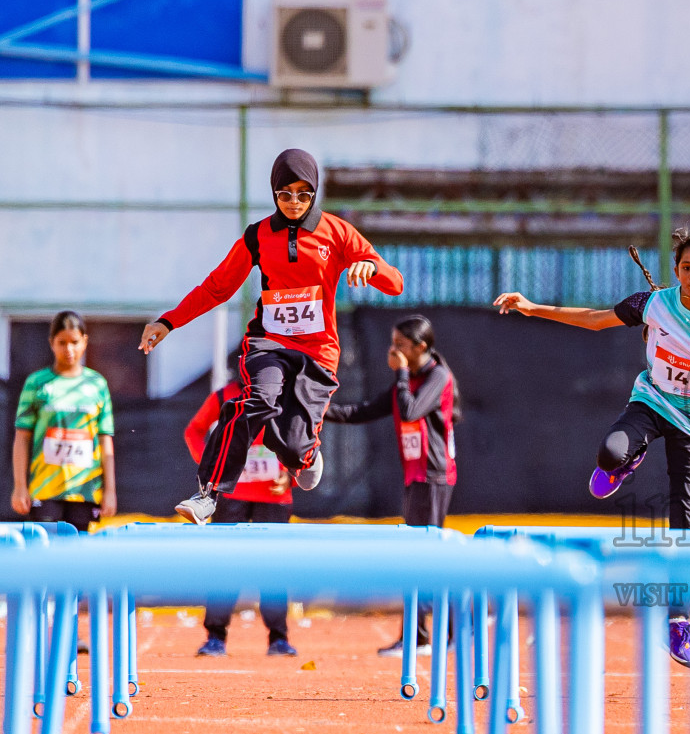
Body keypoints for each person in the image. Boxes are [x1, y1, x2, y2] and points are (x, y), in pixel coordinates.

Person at [494, 228, 690, 669]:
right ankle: (627, 461)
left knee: (684, 526)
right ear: (676, 271)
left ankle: (677, 622)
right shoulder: (654, 304)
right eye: (686, 268)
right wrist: (532, 307)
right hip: (654, 403)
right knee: (609, 453)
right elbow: (593, 319)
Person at [138, 148, 404, 524]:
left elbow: (396, 283)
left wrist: (370, 266)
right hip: (270, 343)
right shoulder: (258, 236)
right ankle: (208, 495)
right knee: (255, 400)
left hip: (317, 351)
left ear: (315, 192)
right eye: (285, 194)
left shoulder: (337, 232)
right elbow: (217, 287)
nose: (294, 202)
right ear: (274, 193)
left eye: (303, 194)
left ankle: (306, 455)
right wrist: (169, 321)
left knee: (292, 447)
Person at [324, 315, 461, 655]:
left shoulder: (435, 376)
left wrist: (399, 373)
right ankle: (423, 634)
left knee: (422, 557)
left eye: (401, 345)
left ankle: (426, 634)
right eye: (392, 343)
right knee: (419, 557)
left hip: (433, 475)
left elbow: (411, 410)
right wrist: (320, 410)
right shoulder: (410, 379)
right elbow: (365, 410)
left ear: (421, 348)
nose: (393, 350)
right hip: (416, 476)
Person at [184, 354, 297, 657]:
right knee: (225, 566)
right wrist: (214, 471)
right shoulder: (224, 396)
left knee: (273, 569)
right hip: (232, 495)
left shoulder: (285, 396)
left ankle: (278, 639)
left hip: (273, 496)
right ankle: (215, 637)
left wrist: (292, 475)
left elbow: (303, 438)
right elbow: (193, 430)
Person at [11, 311, 116, 533]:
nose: (69, 349)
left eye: (74, 342)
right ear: (51, 343)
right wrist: (20, 487)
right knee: (43, 554)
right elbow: (22, 438)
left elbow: (106, 440)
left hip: (85, 490)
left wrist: (110, 491)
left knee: (78, 559)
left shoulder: (97, 384)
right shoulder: (37, 383)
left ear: (84, 341)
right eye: (62, 343)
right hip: (44, 489)